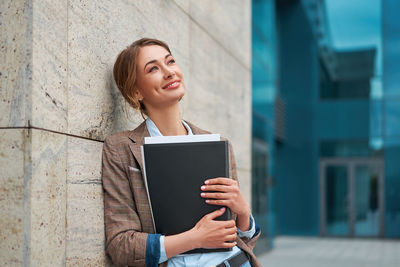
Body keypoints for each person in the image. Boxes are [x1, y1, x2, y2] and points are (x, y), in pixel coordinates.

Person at [102, 38, 261, 267]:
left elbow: (241, 240)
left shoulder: (218, 144)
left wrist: (244, 213)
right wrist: (194, 238)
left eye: (171, 62)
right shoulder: (121, 148)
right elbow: (120, 245)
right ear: (136, 91)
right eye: (153, 68)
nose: (169, 72)